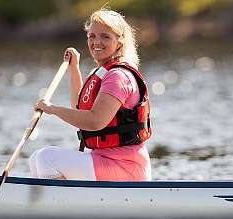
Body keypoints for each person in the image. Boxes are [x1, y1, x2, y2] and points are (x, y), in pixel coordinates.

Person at [29, 8, 152, 181]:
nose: (96, 42)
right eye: (92, 36)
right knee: (35, 159)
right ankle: (61, 203)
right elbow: (79, 110)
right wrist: (74, 68)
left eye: (105, 36)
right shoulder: (103, 73)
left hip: (125, 168)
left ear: (119, 42)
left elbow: (94, 121)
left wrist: (52, 109)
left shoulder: (118, 76)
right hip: (104, 160)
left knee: (45, 158)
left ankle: (62, 205)